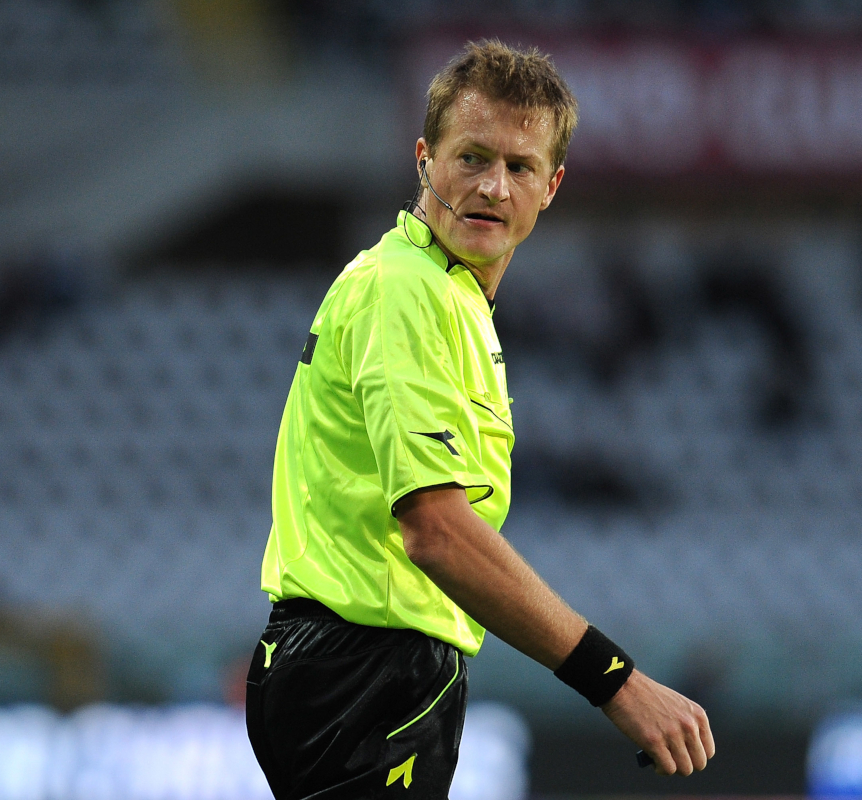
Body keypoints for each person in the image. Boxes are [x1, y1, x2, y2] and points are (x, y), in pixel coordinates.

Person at [247, 40, 714, 798]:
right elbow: (436, 530)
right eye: (472, 158)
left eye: (520, 167)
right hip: (359, 671)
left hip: (364, 669)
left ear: (551, 186)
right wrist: (616, 681)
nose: (494, 186)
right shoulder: (407, 291)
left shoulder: (447, 293)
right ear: (425, 159)